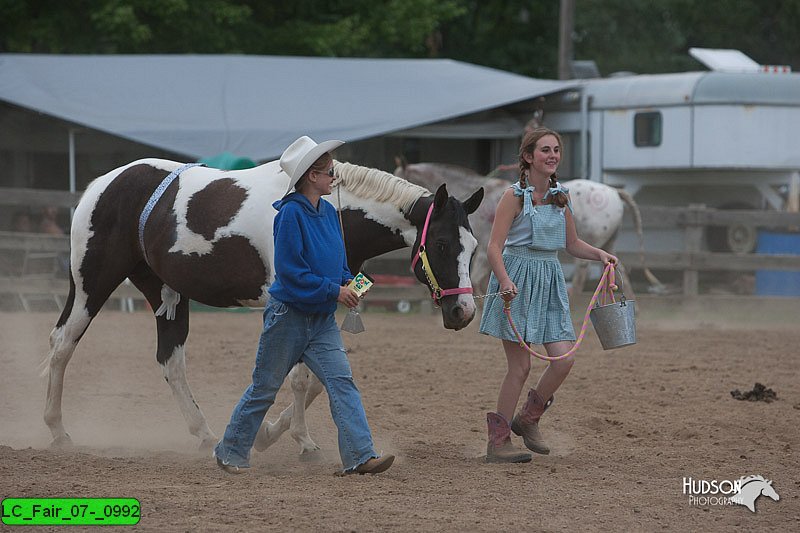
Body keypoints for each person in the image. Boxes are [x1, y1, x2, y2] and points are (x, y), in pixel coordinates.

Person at [213, 136, 394, 476]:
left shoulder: (327, 212)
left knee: (342, 382)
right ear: (311, 176)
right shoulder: (290, 216)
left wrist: (349, 284)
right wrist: (336, 291)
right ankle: (230, 450)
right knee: (264, 388)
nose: (334, 177)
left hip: (321, 317)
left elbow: (338, 262)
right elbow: (292, 275)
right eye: (329, 171)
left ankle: (360, 456)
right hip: (288, 318)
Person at [478, 127, 618, 463]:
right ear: (528, 157)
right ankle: (497, 443)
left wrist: (599, 254)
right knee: (520, 366)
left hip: (550, 281)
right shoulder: (512, 196)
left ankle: (527, 419)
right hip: (517, 279)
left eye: (556, 150)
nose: (553, 155)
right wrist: (505, 281)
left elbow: (571, 244)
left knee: (564, 359)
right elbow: (494, 246)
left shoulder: (561, 196)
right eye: (545, 150)